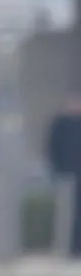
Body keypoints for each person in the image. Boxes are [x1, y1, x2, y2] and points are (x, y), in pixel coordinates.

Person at [47, 94, 81, 256]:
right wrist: (57, 169)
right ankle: (70, 248)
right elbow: (53, 149)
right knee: (69, 212)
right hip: (67, 175)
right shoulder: (60, 124)